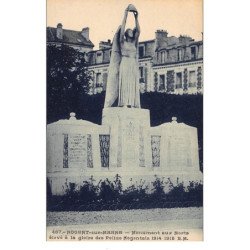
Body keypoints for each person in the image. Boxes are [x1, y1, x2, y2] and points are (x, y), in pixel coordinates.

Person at [118, 6, 141, 108]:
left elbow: (139, 31)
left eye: (132, 30)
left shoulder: (134, 43)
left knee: (132, 83)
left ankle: (131, 103)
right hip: (125, 62)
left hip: (132, 63)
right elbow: (122, 29)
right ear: (126, 34)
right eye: (130, 30)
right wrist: (125, 15)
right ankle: (124, 102)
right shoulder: (122, 42)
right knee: (125, 83)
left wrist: (136, 17)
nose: (132, 31)